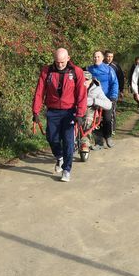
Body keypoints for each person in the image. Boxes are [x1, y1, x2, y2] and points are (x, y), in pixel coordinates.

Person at [32, 48, 86, 183]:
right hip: (53, 111)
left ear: (68, 58)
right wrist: (35, 111)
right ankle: (59, 156)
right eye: (57, 62)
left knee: (68, 141)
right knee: (51, 137)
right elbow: (39, 91)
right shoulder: (47, 71)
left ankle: (67, 170)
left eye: (62, 62)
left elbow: (81, 94)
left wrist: (80, 114)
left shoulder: (77, 72)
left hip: (70, 111)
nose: (60, 65)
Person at [87, 51, 118, 148]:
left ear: (102, 58)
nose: (96, 58)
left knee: (107, 118)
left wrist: (113, 96)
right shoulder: (89, 69)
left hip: (106, 99)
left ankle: (108, 137)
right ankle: (99, 142)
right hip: (93, 99)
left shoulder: (109, 70)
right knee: (95, 121)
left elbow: (114, 83)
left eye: (98, 57)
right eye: (94, 57)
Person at [80, 71, 112, 152]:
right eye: (82, 80)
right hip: (76, 108)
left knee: (88, 120)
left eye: (86, 80)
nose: (84, 82)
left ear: (91, 80)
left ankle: (85, 143)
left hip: (90, 109)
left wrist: (94, 101)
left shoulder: (96, 89)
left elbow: (108, 104)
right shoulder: (74, 87)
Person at [103, 50, 123, 133]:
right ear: (104, 56)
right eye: (108, 56)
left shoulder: (116, 66)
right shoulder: (101, 65)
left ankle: (112, 128)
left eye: (111, 57)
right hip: (103, 92)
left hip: (114, 91)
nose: (109, 58)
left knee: (112, 109)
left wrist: (121, 90)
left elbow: (121, 78)